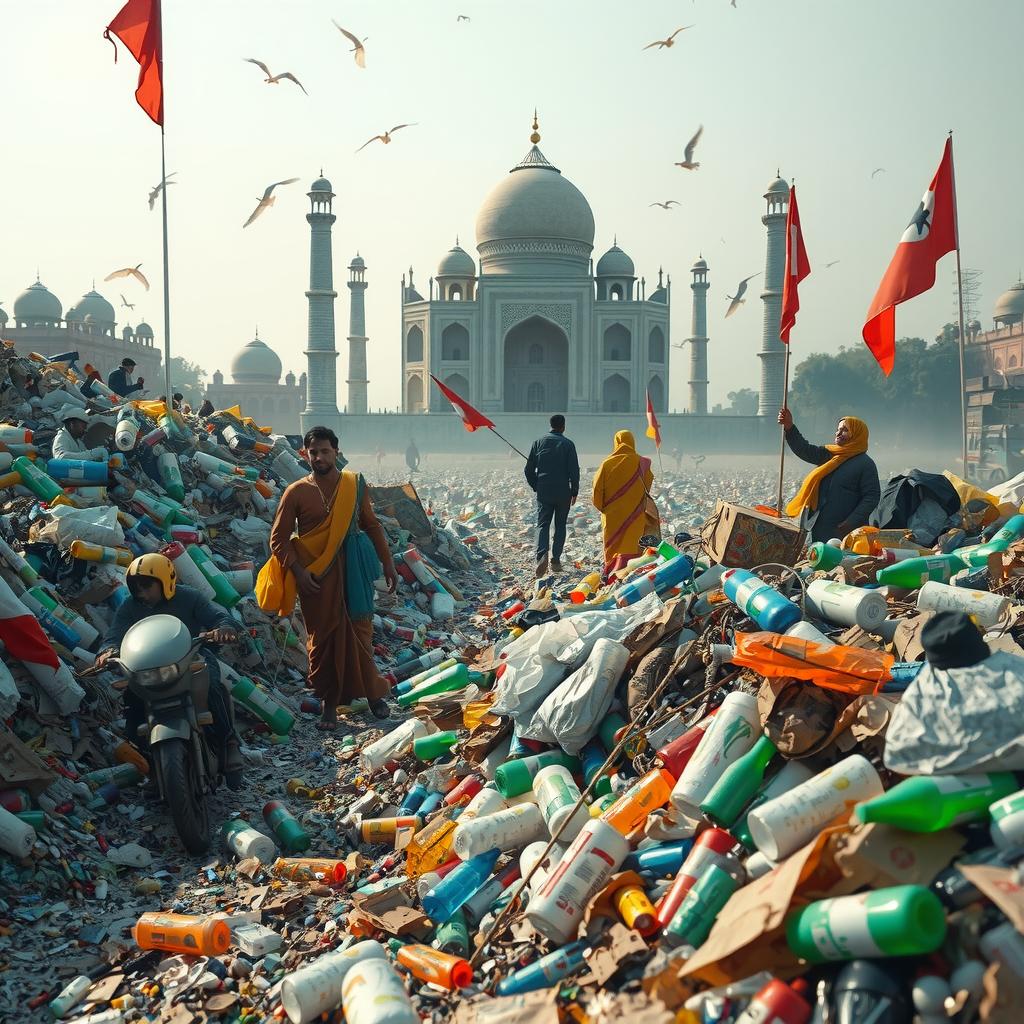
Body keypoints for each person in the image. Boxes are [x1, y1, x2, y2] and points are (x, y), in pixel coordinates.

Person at [264, 426, 399, 729]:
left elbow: (372, 525)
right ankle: (329, 707)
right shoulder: (296, 491)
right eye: (314, 452)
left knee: (360, 634)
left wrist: (388, 563)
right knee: (323, 640)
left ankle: (374, 696)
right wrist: (299, 573)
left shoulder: (354, 484)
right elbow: (279, 539)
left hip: (354, 572)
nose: (320, 457)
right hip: (316, 578)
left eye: (325, 451)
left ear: (336, 452)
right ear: (305, 454)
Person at [94, 554, 244, 789]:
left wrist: (224, 627)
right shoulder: (129, 607)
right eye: (136, 587)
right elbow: (113, 635)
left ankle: (229, 742)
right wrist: (107, 651)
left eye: (147, 586)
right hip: (148, 670)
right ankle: (153, 763)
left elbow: (218, 616)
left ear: (166, 581)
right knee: (132, 707)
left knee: (213, 687)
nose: (141, 592)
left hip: (191, 659)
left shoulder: (190, 597)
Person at [778, 408, 881, 543]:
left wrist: (851, 522)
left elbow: (871, 497)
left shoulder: (865, 464)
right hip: (819, 526)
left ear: (857, 434)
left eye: (844, 430)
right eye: (838, 429)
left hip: (847, 530)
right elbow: (805, 450)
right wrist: (789, 427)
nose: (838, 433)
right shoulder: (828, 454)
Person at [592, 430, 659, 577]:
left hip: (612, 515)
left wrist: (603, 508)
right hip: (635, 513)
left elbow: (597, 489)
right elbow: (646, 487)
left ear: (616, 442)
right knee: (632, 542)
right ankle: (632, 571)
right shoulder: (643, 463)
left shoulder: (607, 464)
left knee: (612, 546)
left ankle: (611, 573)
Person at [525, 414, 580, 577]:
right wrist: (574, 491)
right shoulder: (568, 444)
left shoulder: (538, 443)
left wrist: (536, 485)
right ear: (563, 426)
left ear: (550, 425)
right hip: (563, 490)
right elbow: (574, 471)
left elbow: (528, 470)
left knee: (543, 524)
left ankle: (541, 555)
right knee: (560, 525)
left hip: (544, 489)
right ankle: (555, 560)